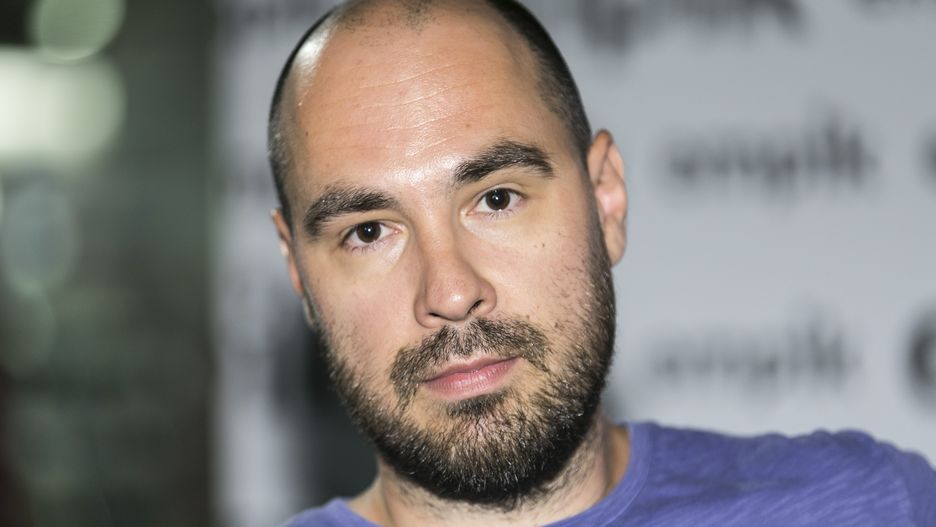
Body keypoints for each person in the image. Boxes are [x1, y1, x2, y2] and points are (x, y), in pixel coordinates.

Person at [266, 1, 936, 525]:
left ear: (606, 200)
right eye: (369, 232)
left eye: (497, 199)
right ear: (299, 270)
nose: (449, 290)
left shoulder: (875, 507)